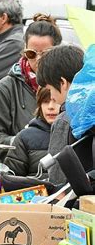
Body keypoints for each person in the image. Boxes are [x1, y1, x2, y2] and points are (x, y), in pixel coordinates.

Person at [0, 14, 62, 161]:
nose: (38, 59)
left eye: (46, 53)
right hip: (20, 172)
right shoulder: (5, 88)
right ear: (24, 50)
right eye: (31, 54)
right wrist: (24, 141)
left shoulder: (69, 86)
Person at [36, 44, 85, 185]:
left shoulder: (65, 119)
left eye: (50, 90)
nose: (53, 98)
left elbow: (58, 178)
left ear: (63, 83)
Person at [4, 87, 60, 177]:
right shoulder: (24, 137)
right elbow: (11, 178)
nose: (50, 107)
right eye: (45, 102)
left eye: (55, 101)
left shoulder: (76, 133)